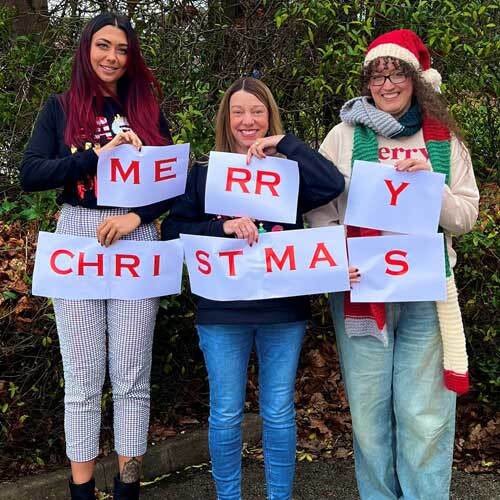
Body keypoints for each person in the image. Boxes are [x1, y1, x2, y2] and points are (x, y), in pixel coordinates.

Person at [306, 29, 479, 499]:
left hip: (425, 292)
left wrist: (434, 185)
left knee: (424, 415)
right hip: (362, 290)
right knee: (368, 415)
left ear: (416, 79)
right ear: (368, 83)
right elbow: (318, 208)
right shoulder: (343, 136)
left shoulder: (443, 138)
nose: (387, 84)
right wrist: (335, 259)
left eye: (397, 73)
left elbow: (466, 217)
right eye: (377, 75)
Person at [162, 77, 345, 500]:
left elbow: (332, 185)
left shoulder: (290, 172)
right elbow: (172, 229)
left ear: (270, 116)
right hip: (222, 309)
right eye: (239, 111)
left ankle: (279, 497)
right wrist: (221, 227)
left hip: (283, 308)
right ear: (226, 118)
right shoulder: (206, 175)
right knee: (226, 412)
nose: (248, 120)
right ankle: (229, 497)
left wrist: (286, 144)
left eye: (258, 112)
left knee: (278, 410)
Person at [20, 13, 173, 500]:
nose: (112, 57)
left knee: (132, 370)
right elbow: (32, 172)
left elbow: (172, 182)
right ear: (87, 50)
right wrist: (96, 156)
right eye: (103, 46)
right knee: (82, 374)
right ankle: (81, 490)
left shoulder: (147, 110)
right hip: (78, 237)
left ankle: (129, 486)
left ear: (132, 58)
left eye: (122, 49)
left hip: (135, 235)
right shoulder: (61, 108)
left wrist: (138, 216)